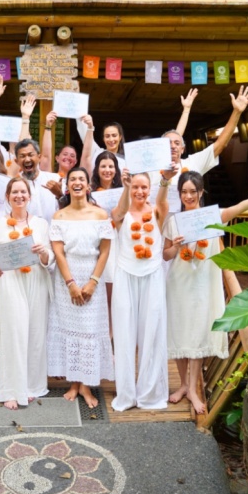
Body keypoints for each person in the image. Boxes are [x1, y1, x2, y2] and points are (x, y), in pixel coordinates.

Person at [163, 174, 248, 414]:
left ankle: (192, 387)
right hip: (178, 282)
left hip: (203, 282)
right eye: (184, 192)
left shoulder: (213, 216)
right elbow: (165, 255)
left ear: (201, 192)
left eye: (193, 191)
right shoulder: (173, 221)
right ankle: (183, 386)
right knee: (179, 330)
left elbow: (239, 207)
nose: (188, 196)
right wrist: (176, 246)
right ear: (179, 194)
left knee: (199, 329)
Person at [47, 167, 115, 408]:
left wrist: (93, 282)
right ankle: (74, 383)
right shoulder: (59, 216)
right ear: (67, 186)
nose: (77, 182)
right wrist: (71, 284)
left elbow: (105, 249)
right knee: (68, 328)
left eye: (81, 179)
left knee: (89, 329)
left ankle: (86, 385)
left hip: (92, 275)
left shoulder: (100, 214)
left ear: (88, 186)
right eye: (72, 179)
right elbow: (58, 251)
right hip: (66, 278)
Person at [0, 177, 54, 410]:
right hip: (11, 282)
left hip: (36, 280)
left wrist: (43, 252)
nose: (19, 196)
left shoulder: (42, 224)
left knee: (35, 333)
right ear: (7, 197)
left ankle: (32, 386)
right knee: (13, 333)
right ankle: (11, 390)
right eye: (14, 192)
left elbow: (49, 259)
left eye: (23, 192)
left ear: (30, 196)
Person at [110, 166, 176, 412]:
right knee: (125, 332)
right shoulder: (122, 213)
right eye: (135, 186)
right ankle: (126, 394)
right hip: (126, 275)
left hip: (152, 275)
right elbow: (117, 214)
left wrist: (165, 181)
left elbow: (161, 199)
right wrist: (126, 187)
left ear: (149, 189)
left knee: (152, 332)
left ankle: (149, 394)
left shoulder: (158, 210)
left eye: (143, 187)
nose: (139, 191)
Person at [152, 85, 248, 212]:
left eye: (177, 144)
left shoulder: (192, 163)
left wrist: (237, 112)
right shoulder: (150, 168)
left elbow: (219, 145)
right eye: (168, 144)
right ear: (160, 147)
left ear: (183, 149)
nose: (173, 146)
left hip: (188, 226)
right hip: (157, 227)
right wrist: (186, 110)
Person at [86, 150, 125, 339]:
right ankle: (101, 336)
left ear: (116, 169)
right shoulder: (89, 193)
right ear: (97, 169)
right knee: (100, 293)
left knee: (116, 294)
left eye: (111, 166)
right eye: (103, 166)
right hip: (95, 244)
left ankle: (114, 336)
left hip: (118, 242)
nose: (107, 170)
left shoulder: (124, 191)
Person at [13, 138, 60, 221]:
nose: (27, 159)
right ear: (16, 161)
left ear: (39, 157)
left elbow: (68, 208)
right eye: (22, 156)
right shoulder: (13, 185)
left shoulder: (55, 179)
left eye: (31, 155)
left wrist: (59, 194)